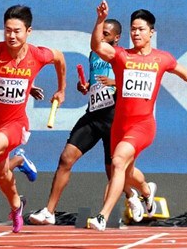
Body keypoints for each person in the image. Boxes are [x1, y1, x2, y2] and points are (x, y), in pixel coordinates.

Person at [87, 0, 187, 230]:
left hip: (143, 125)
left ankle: (102, 217)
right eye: (133, 29)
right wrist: (100, 20)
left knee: (117, 162)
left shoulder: (162, 58)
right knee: (126, 171)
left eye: (141, 29)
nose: (136, 33)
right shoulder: (121, 55)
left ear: (151, 32)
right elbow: (97, 46)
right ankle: (146, 191)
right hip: (120, 125)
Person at [29, 19, 147, 225]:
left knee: (114, 170)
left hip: (115, 117)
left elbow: (136, 85)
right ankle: (49, 211)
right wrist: (86, 86)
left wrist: (115, 83)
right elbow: (96, 83)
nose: (101, 37)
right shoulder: (94, 54)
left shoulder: (123, 57)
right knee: (66, 158)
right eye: (100, 33)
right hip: (93, 115)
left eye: (107, 34)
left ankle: (138, 193)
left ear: (117, 38)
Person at [0, 5, 66, 233]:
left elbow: (59, 57)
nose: (11, 35)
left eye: (17, 31)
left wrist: (61, 89)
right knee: (1, 173)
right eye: (7, 30)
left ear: (28, 31)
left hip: (16, 124)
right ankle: (17, 206)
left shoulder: (37, 55)